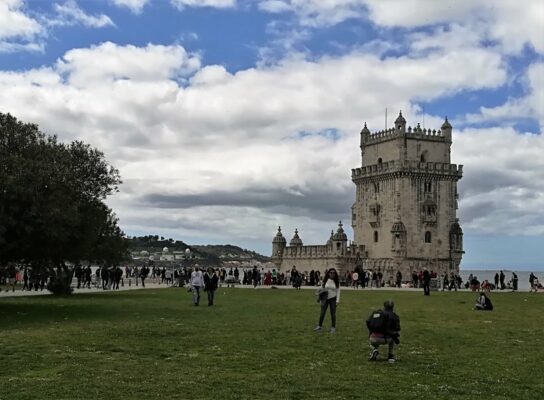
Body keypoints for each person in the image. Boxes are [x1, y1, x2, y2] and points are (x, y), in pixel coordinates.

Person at [313, 268, 340, 333]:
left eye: (333, 273)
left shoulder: (336, 281)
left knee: (333, 314)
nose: (332, 274)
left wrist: (337, 301)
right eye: (331, 272)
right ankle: (319, 326)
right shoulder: (325, 280)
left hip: (333, 299)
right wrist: (318, 292)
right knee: (322, 313)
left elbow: (338, 291)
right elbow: (322, 288)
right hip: (325, 298)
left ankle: (333, 327)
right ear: (328, 273)